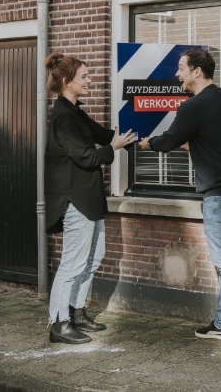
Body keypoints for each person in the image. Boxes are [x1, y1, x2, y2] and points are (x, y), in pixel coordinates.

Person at [138, 48, 221, 353]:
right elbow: (217, 142)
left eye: (181, 68)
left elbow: (170, 140)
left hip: (220, 195)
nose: (177, 74)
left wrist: (148, 144)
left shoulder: (192, 107)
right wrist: (195, 146)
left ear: (197, 71)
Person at [44, 52, 136, 344]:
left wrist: (142, 135)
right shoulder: (62, 117)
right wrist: (115, 147)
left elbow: (104, 134)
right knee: (72, 262)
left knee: (93, 256)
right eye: (84, 76)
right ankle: (59, 325)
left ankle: (76, 312)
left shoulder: (76, 113)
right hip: (75, 201)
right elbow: (86, 157)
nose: (89, 80)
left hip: (89, 198)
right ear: (67, 82)